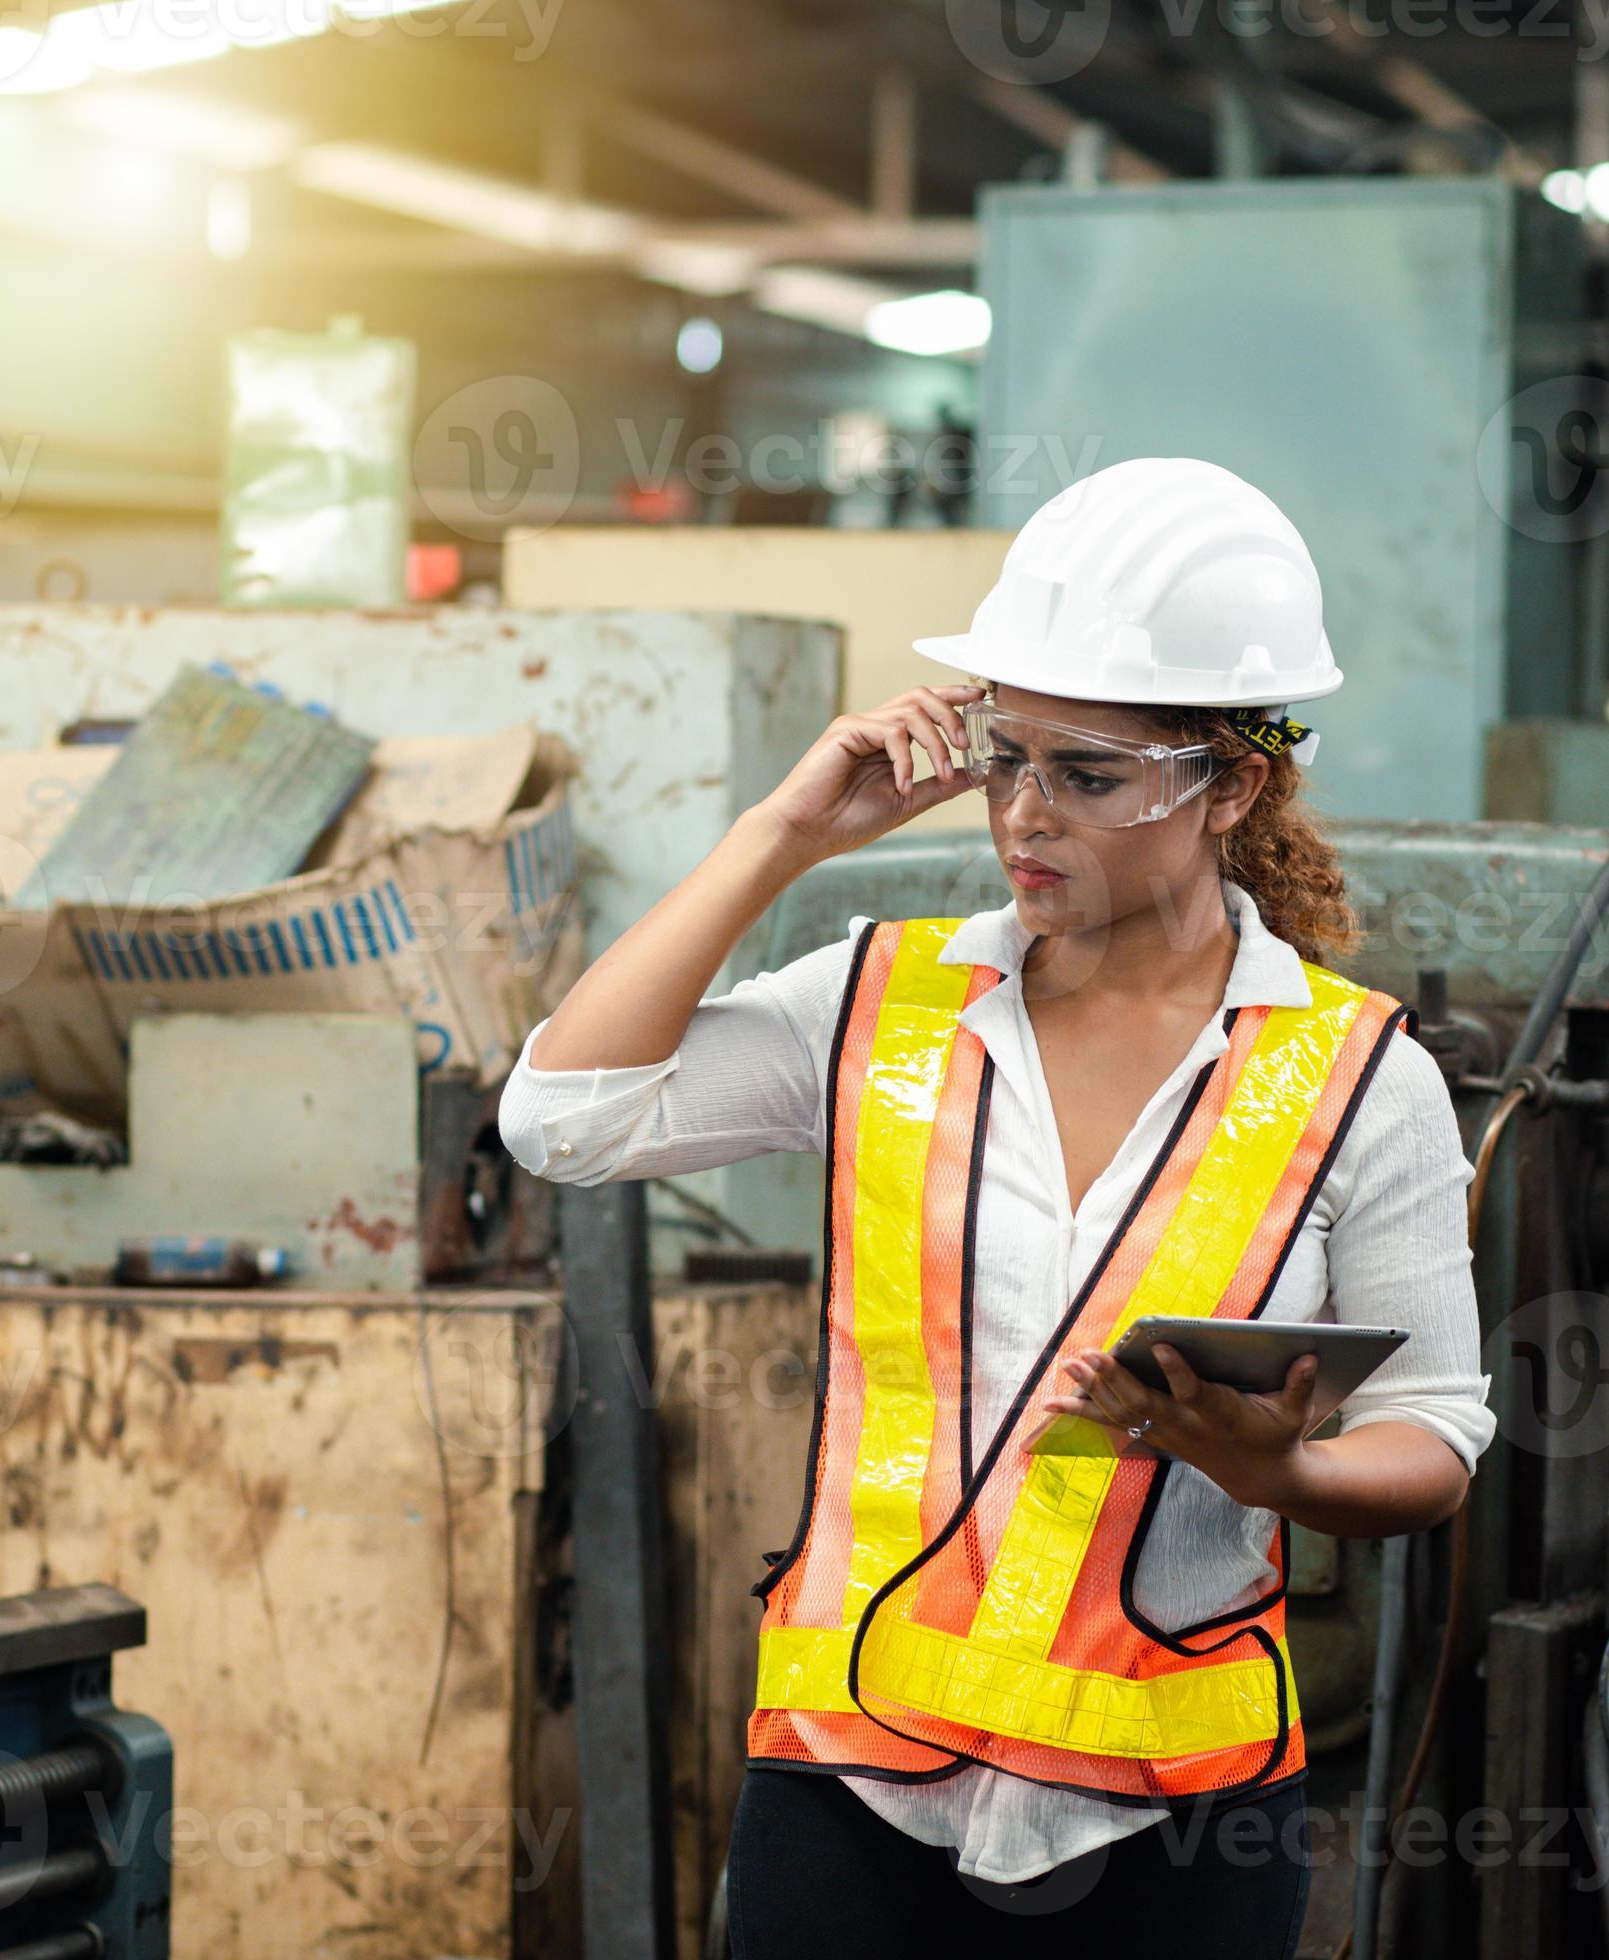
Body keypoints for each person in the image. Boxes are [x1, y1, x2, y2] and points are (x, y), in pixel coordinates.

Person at [498, 458, 1495, 1958]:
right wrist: (781, 836)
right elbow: (560, 1121)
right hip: (850, 1789)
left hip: (1180, 1812)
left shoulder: (1360, 1079)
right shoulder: (880, 1004)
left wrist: (1280, 1472)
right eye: (1007, 756)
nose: (1026, 815)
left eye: (1088, 777)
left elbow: (1435, 1433)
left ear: (1229, 785)